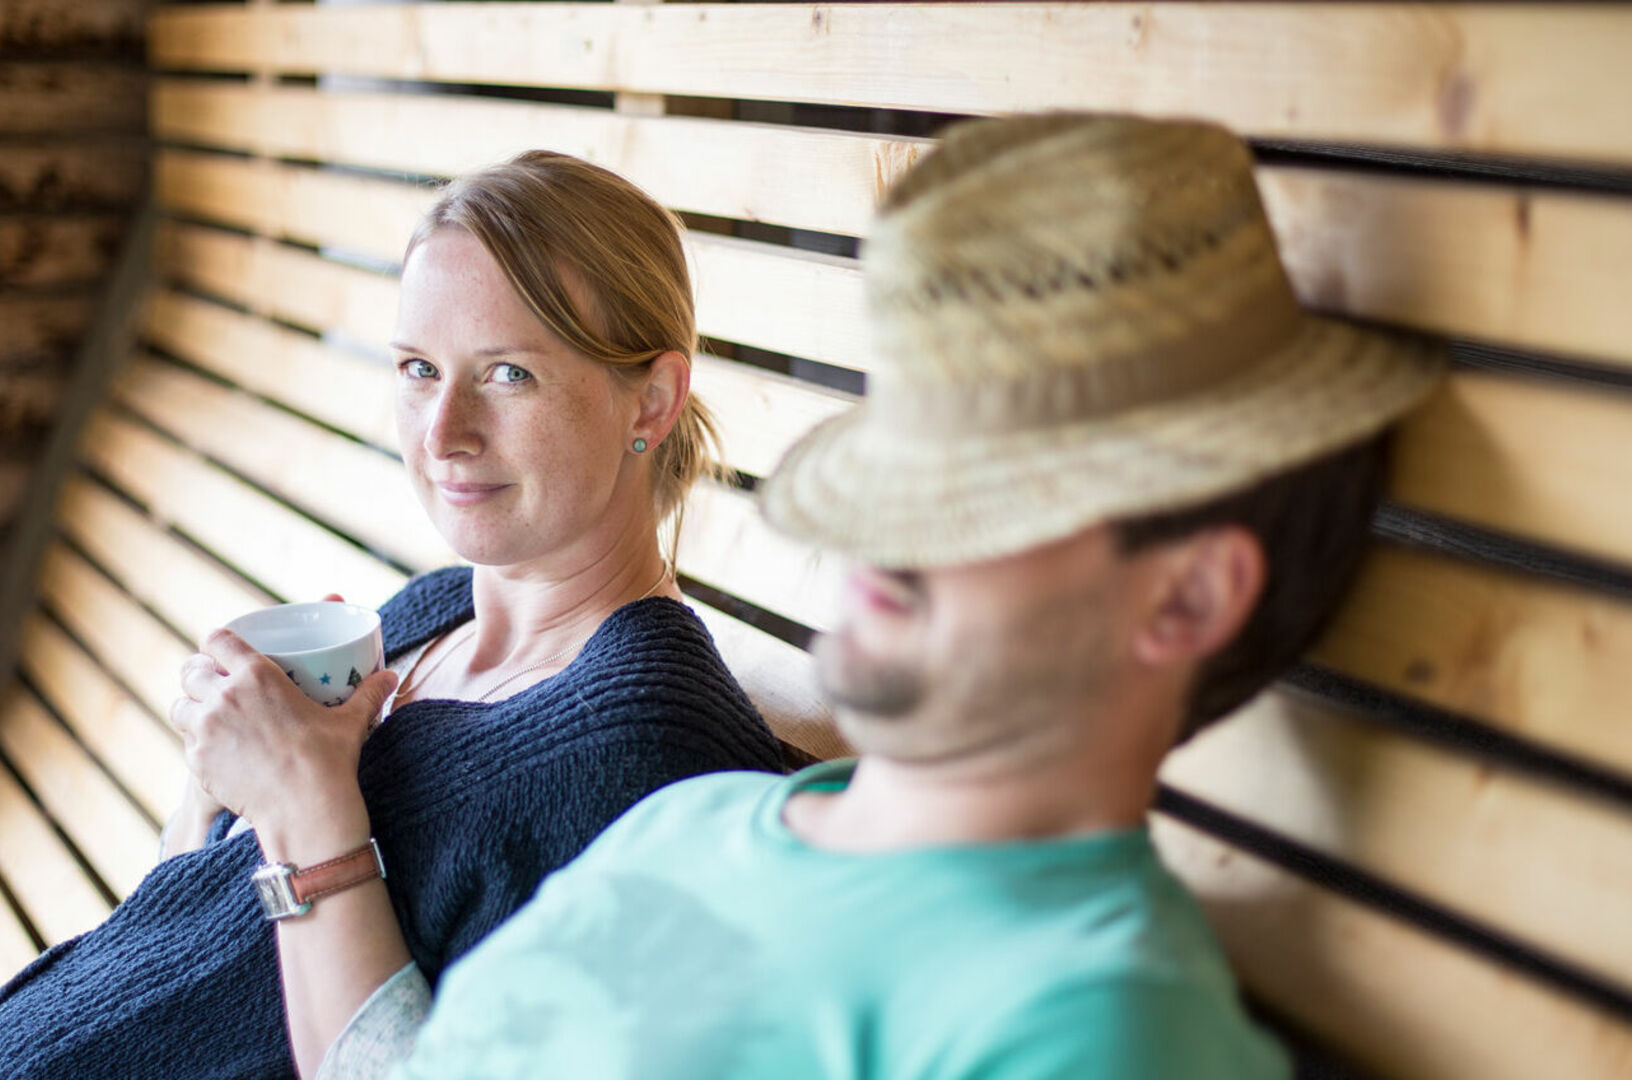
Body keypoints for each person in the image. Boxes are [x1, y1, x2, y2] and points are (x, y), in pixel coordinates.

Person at [243, 113, 1445, 1078]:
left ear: (1183, 600)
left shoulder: (1084, 1016)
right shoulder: (703, 827)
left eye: (973, 496)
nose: (878, 529)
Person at [0, 151, 784, 1080]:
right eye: (418, 368)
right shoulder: (427, 616)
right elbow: (192, 926)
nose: (442, 433)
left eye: (507, 375)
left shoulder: (644, 748)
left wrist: (304, 801)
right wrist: (218, 780)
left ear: (652, 400)